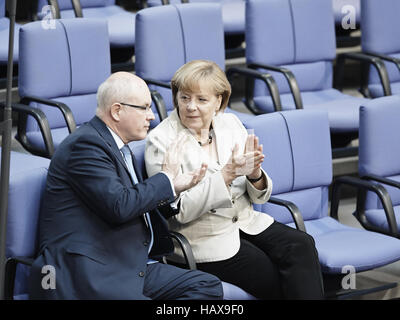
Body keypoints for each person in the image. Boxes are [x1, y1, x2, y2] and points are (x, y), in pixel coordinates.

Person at [29, 71, 223, 300]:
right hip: (92, 270)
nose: (151, 116)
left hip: (130, 263)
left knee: (207, 286)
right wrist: (166, 178)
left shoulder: (117, 145)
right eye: (145, 107)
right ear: (117, 111)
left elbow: (134, 201)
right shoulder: (85, 146)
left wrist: (175, 187)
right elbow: (120, 205)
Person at [145, 60, 325, 300]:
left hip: (245, 222)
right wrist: (226, 175)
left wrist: (255, 175)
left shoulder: (230, 124)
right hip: (202, 238)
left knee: (301, 244)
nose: (191, 107)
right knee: (274, 276)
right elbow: (177, 212)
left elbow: (259, 193)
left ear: (219, 101)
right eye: (185, 97)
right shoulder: (161, 140)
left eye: (201, 99)